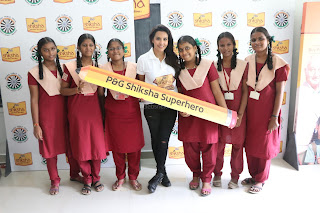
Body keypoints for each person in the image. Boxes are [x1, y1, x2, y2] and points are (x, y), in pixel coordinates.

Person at [28, 37, 82, 195]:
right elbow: (34, 100)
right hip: (47, 117)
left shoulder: (66, 69)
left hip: (68, 113)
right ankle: (54, 180)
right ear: (40, 52)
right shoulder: (33, 73)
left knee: (72, 146)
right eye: (46, 49)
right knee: (49, 150)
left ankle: (74, 174)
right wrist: (36, 124)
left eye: (53, 48)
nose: (50, 52)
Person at [176, 35, 228, 196]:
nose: (184, 52)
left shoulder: (207, 65)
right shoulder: (178, 70)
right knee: (190, 150)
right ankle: (195, 174)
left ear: (195, 48)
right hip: (188, 117)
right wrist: (180, 109)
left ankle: (206, 178)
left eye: (187, 48)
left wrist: (225, 113)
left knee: (210, 148)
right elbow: (177, 94)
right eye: (181, 49)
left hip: (208, 116)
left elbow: (216, 91)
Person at [243, 27, 289, 194]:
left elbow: (279, 92)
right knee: (250, 145)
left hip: (267, 112)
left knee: (264, 146)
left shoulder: (279, 63)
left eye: (260, 39)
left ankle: (261, 179)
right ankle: (254, 175)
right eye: (253, 40)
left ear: (268, 40)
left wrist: (274, 116)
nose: (257, 42)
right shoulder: (247, 61)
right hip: (251, 111)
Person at [60, 33, 107, 195]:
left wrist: (103, 113)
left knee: (96, 145)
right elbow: (62, 90)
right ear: (79, 48)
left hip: (94, 111)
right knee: (81, 145)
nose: (88, 48)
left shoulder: (100, 68)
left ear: (95, 48)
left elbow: (101, 94)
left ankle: (96, 178)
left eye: (91, 45)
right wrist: (76, 89)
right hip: (77, 112)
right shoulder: (70, 67)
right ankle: (86, 178)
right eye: (84, 45)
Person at [137, 24, 179, 193]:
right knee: (155, 139)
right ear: (152, 40)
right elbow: (140, 84)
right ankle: (163, 173)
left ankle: (159, 173)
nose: (162, 42)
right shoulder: (143, 59)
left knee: (163, 139)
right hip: (151, 105)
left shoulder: (174, 59)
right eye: (158, 39)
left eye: (165, 39)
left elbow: (179, 83)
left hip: (170, 105)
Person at [102, 38, 145, 191]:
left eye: (118, 47)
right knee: (118, 147)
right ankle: (120, 177)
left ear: (124, 50)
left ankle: (133, 177)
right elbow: (101, 94)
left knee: (134, 148)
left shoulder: (134, 67)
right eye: (112, 48)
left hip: (131, 112)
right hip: (113, 113)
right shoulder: (103, 69)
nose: (115, 51)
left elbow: (142, 88)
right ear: (108, 52)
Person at [213, 32, 248, 189]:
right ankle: (217, 174)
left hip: (238, 110)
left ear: (234, 45)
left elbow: (246, 91)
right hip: (221, 110)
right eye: (222, 45)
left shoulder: (243, 65)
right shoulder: (214, 66)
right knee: (219, 145)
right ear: (218, 47)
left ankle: (235, 177)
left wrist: (240, 114)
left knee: (237, 146)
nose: (225, 48)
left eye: (228, 44)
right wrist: (223, 112)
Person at [295, 56, 320, 164]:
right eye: (312, 70)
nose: (316, 74)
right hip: (301, 149)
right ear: (305, 71)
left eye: (319, 70)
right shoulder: (298, 93)